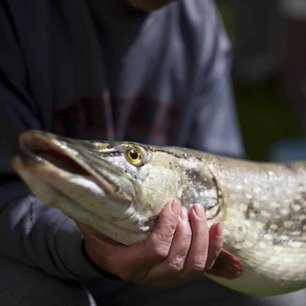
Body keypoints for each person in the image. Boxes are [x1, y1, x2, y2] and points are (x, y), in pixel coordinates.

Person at [0, 0, 305, 305]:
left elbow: (217, 177)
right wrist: (87, 248)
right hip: (24, 252)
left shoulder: (196, 19)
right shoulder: (15, 14)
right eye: (134, 157)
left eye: (133, 158)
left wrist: (191, 247)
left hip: (147, 258)